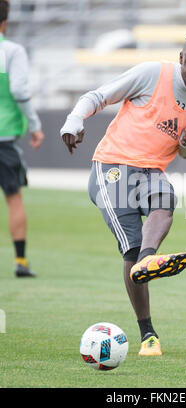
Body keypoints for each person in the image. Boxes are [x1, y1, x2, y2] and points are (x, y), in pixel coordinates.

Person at [60, 17, 186, 356]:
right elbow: (99, 96)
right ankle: (147, 331)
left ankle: (149, 260)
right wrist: (74, 121)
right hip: (111, 167)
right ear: (181, 58)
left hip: (151, 172)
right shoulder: (152, 73)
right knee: (129, 250)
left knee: (166, 200)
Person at [0, 0, 45, 277]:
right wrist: (35, 125)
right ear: (6, 21)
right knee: (14, 198)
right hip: (4, 135)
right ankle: (21, 262)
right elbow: (18, 88)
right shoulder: (12, 50)